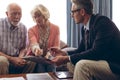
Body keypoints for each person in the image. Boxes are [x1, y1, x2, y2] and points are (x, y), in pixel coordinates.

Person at [51, 0, 120, 80]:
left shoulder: (102, 22)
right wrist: (63, 53)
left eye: (73, 12)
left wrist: (66, 58)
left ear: (82, 12)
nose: (71, 15)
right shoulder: (85, 28)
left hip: (114, 66)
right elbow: (80, 50)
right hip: (101, 62)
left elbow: (96, 52)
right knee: (71, 63)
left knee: (82, 66)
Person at [0, 3, 35, 74]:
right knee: (2, 61)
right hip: (3, 57)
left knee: (32, 60)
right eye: (14, 14)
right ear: (7, 14)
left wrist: (20, 58)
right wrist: (11, 59)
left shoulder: (23, 27)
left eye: (19, 14)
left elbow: (23, 48)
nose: (17, 17)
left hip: (17, 57)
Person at [28, 4, 60, 73]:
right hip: (37, 57)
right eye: (35, 17)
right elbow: (33, 43)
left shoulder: (56, 28)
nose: (37, 19)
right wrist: (36, 49)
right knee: (40, 65)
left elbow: (56, 47)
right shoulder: (31, 30)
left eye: (39, 16)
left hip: (50, 56)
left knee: (51, 64)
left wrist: (49, 54)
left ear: (45, 15)